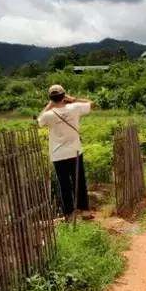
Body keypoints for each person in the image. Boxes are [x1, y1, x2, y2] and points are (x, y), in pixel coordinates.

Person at [38, 84, 95, 221]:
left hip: (58, 155)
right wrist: (73, 99)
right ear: (64, 96)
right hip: (75, 151)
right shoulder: (74, 108)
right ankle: (85, 211)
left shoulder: (48, 115)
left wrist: (49, 105)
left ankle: (70, 215)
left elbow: (39, 121)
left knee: (64, 185)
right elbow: (91, 104)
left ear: (51, 98)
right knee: (80, 181)